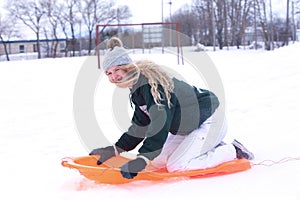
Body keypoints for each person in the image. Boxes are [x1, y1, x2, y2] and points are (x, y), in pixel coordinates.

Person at [90, 37, 254, 179]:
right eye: (109, 73)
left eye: (116, 69)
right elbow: (141, 126)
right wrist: (116, 149)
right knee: (157, 161)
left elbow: (160, 123)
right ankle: (208, 146)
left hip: (210, 121)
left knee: (178, 166)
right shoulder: (137, 88)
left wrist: (142, 159)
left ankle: (232, 150)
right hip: (191, 127)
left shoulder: (151, 85)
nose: (113, 76)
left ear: (127, 66)